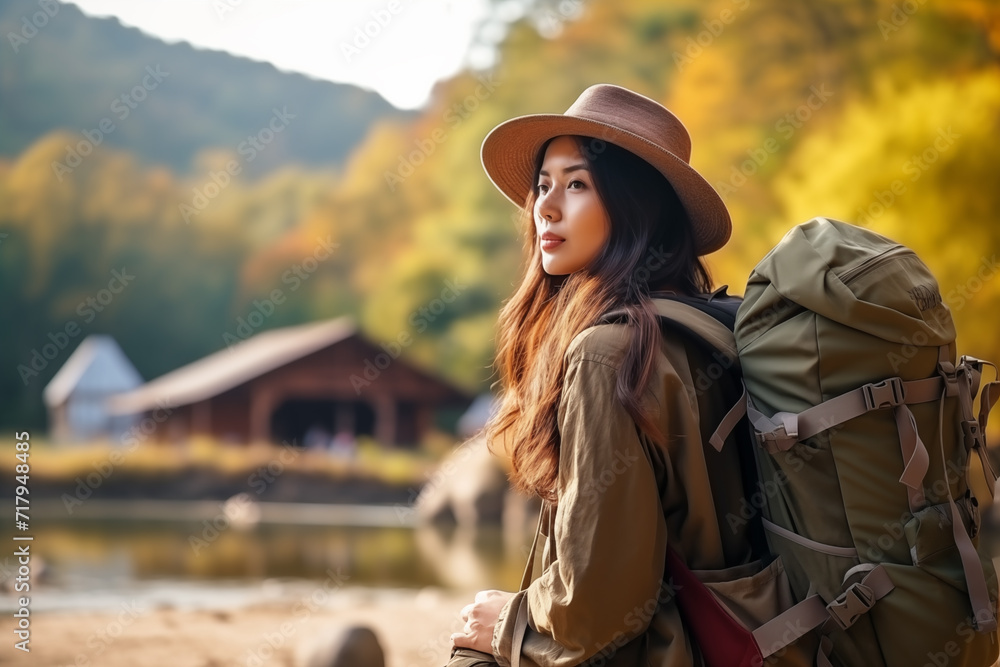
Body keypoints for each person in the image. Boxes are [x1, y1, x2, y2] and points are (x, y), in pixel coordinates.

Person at [446, 83, 753, 667]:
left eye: (578, 184)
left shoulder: (607, 353)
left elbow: (598, 604)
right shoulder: (708, 330)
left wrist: (504, 625)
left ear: (637, 206)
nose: (546, 206)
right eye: (543, 185)